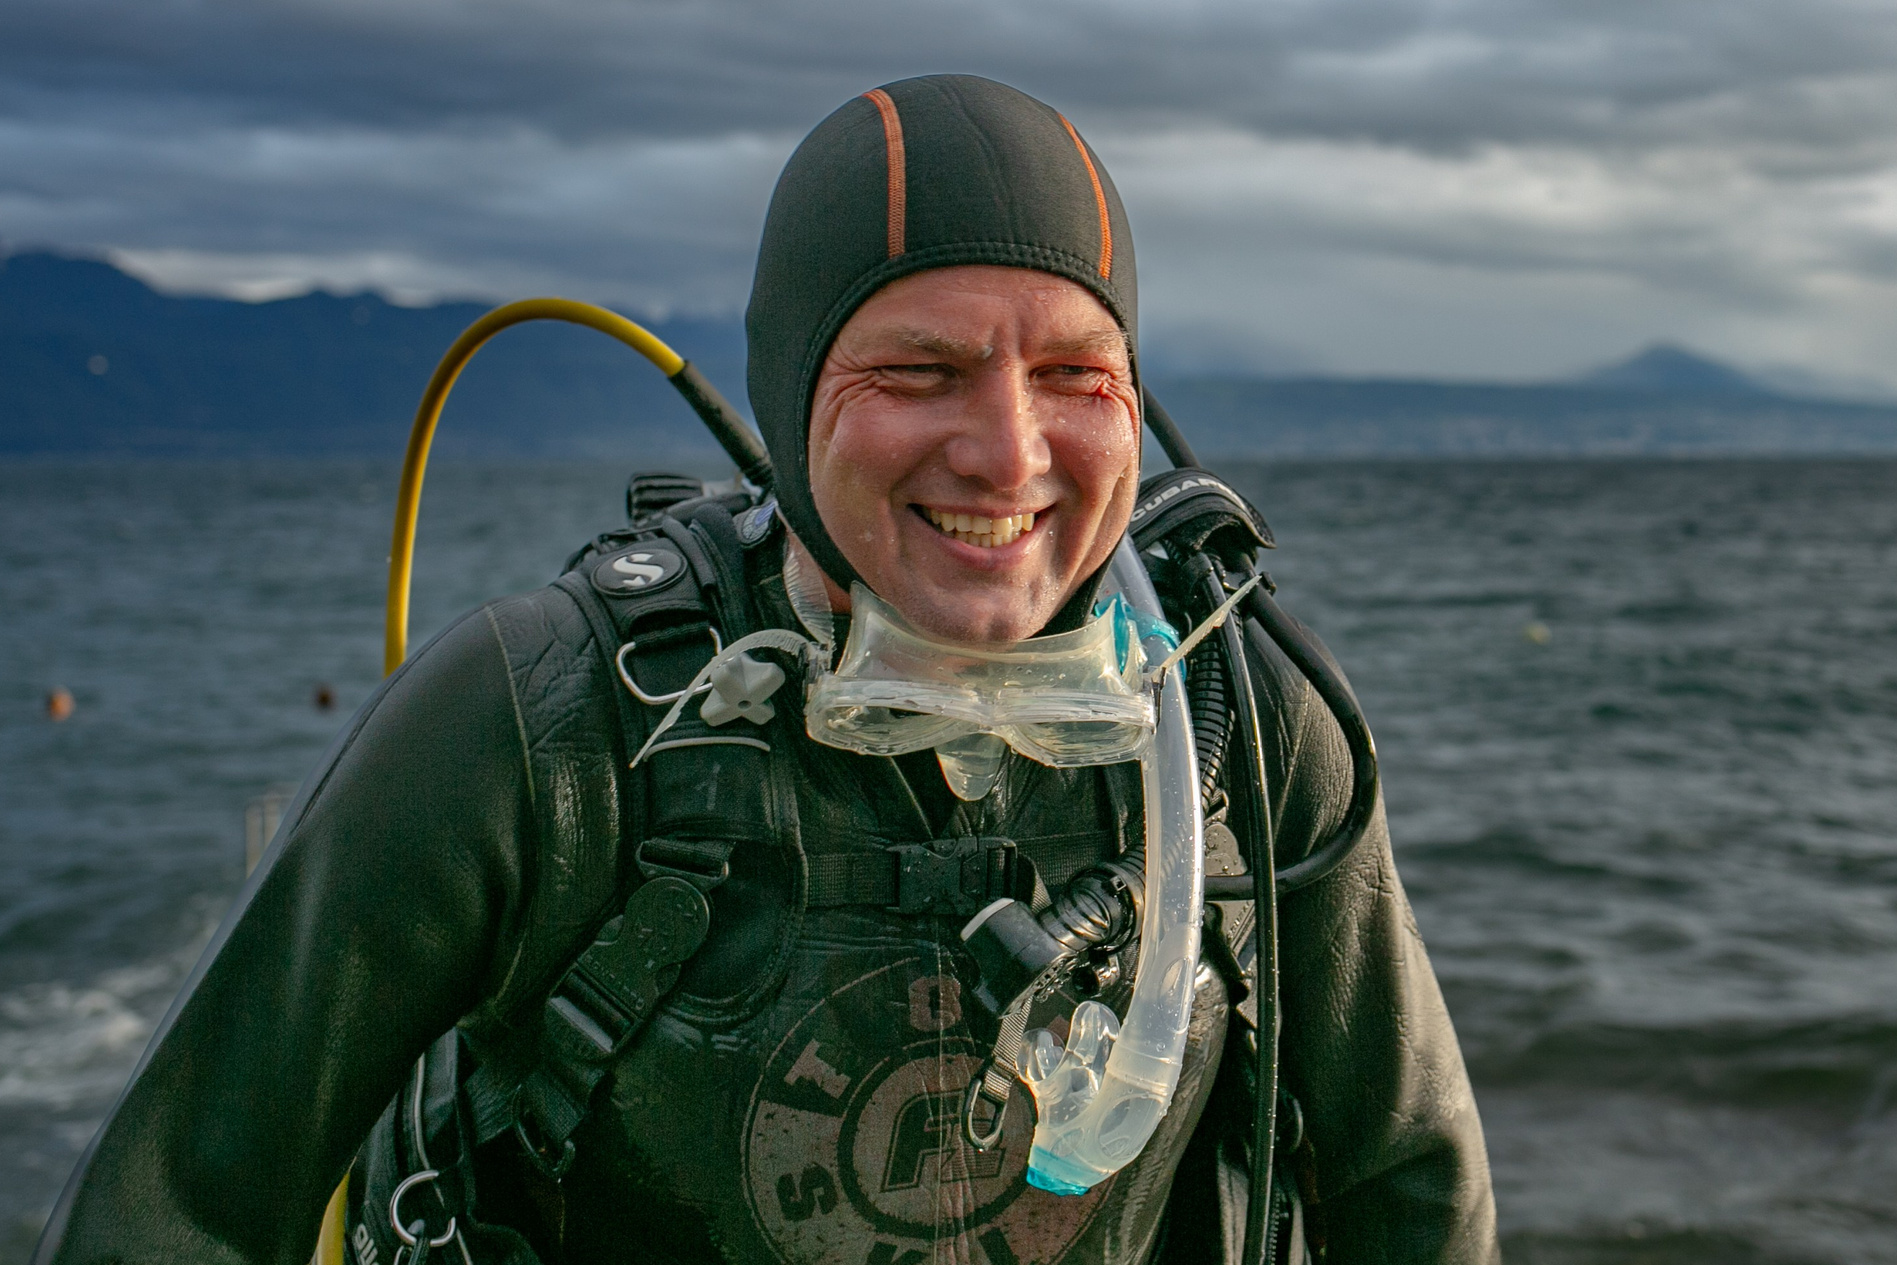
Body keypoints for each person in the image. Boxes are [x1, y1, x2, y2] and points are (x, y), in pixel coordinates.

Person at [34, 75, 1498, 1265]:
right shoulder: (544, 728)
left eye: (1074, 376)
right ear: (792, 397)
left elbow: (1411, 1194)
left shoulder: (1243, 724)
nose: (1006, 450)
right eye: (917, 371)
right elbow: (179, 1213)